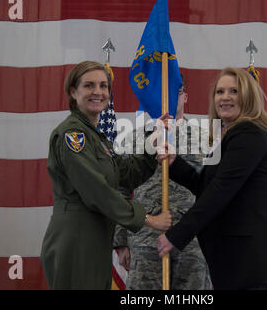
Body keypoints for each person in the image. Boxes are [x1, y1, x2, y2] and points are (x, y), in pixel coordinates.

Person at [157, 67, 267, 290]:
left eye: (234, 91)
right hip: (239, 263)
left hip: (254, 262)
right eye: (219, 91)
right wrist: (174, 163)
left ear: (248, 97)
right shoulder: (229, 136)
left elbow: (220, 191)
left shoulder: (249, 133)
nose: (225, 97)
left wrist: (177, 235)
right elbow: (208, 187)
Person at [40, 61, 172, 290]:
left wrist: (152, 142)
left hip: (94, 239)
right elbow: (97, 192)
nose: (98, 92)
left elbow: (126, 174)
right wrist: (149, 220)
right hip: (77, 239)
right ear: (73, 91)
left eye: (103, 86)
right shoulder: (73, 135)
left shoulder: (96, 138)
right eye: (89, 85)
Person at [113, 76, 212, 290]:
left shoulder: (207, 139)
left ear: (185, 96)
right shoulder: (134, 139)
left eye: (175, 91)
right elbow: (120, 190)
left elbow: (215, 190)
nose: (167, 98)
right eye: (162, 91)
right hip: (145, 238)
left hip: (193, 241)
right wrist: (121, 242)